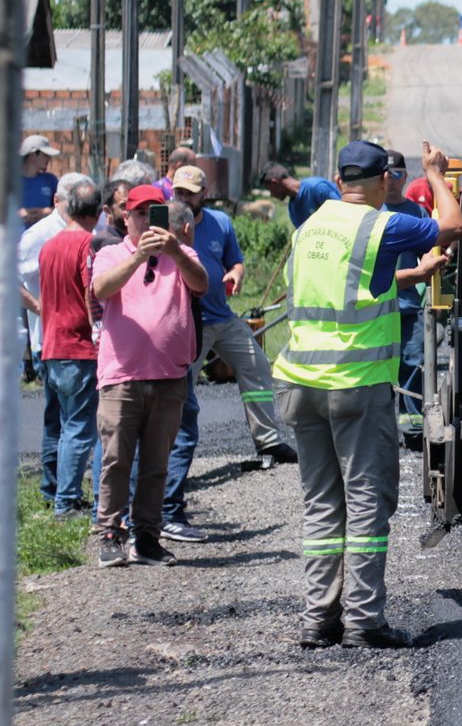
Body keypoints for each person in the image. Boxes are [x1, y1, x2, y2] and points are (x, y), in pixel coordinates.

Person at [274, 139, 462, 649]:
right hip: (354, 386)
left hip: (300, 383)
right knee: (366, 503)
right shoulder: (381, 223)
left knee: (321, 504)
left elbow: (350, 284)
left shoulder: (310, 228)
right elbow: (453, 226)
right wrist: (438, 174)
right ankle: (363, 621)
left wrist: (412, 275)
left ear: (341, 180)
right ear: (384, 180)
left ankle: (319, 619)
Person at [167, 166, 298, 541]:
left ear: (205, 192)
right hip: (187, 322)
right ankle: (169, 466)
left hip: (221, 317)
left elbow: (234, 260)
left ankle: (268, 439)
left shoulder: (221, 223)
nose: (184, 198)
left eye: (190, 192)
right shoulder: (168, 222)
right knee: (179, 393)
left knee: (255, 366)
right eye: (179, 191)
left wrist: (237, 274)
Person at [91, 187, 206, 568]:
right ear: (126, 217)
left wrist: (172, 250)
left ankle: (147, 536)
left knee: (157, 463)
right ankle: (110, 533)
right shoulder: (111, 252)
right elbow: (101, 289)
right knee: (116, 460)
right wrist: (139, 255)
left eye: (153, 213)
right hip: (121, 375)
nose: (145, 221)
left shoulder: (181, 252)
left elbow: (201, 283)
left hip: (169, 376)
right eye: (139, 214)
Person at [34, 180, 104, 519]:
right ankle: (66, 502)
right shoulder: (87, 245)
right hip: (79, 347)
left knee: (61, 426)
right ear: (98, 212)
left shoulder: (49, 246)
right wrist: (100, 332)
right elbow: (92, 295)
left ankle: (57, 495)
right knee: (79, 428)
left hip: (50, 345)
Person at [380, 149, 448, 443]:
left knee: (412, 363)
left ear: (405, 177)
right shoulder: (372, 213)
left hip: (410, 303)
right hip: (380, 305)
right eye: (386, 175)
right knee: (380, 367)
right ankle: (382, 428)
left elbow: (428, 251)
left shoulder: (416, 213)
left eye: (397, 175)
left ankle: (412, 426)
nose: (392, 181)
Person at [20, 171, 90, 378]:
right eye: (74, 202)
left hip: (88, 342)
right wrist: (40, 308)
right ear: (57, 201)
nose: (80, 208)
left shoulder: (94, 226)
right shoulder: (39, 234)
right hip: (52, 344)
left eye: (85, 202)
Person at [261, 162, 341, 229]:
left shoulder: (315, 188)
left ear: (275, 182)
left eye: (270, 190)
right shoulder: (293, 209)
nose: (271, 194)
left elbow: (343, 213)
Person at [20, 134, 59, 229]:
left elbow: (64, 209)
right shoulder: (8, 181)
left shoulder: (51, 180)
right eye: (46, 155)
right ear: (34, 154)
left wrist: (47, 212)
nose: (49, 159)